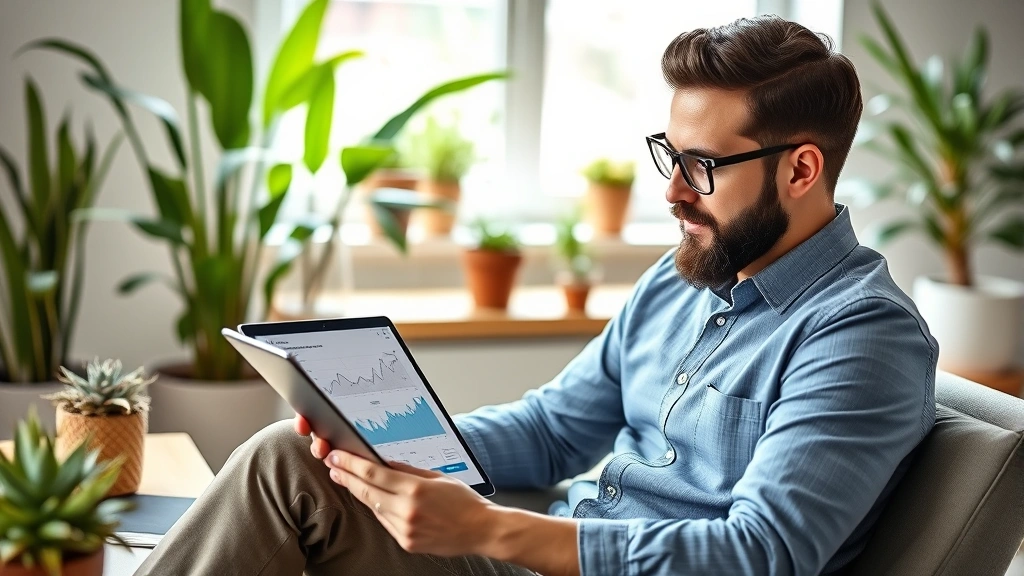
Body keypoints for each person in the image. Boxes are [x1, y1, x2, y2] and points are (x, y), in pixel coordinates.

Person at [136, 14, 936, 576]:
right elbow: (554, 429)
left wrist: (493, 530)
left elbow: (762, 554)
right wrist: (391, 444)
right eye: (669, 155)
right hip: (541, 559)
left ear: (801, 170)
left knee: (282, 470)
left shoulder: (861, 335)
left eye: (701, 168)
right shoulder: (685, 278)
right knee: (295, 457)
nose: (671, 192)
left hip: (549, 558)